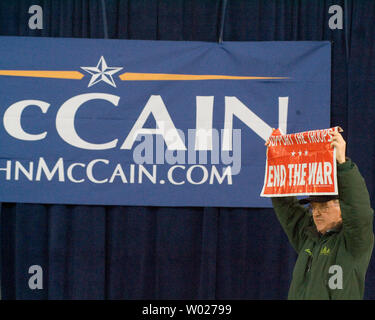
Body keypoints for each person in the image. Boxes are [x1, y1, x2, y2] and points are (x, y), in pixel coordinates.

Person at [267, 130, 374, 299]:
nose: (316, 213)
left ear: (342, 207)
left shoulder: (354, 242)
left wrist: (342, 164)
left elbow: (359, 210)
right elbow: (286, 206)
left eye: (323, 207)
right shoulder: (308, 236)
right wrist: (279, 162)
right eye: (313, 207)